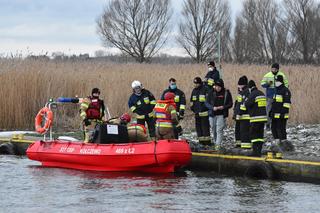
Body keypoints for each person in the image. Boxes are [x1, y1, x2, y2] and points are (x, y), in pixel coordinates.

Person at [205, 79, 233, 150]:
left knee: (219, 130)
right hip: (212, 114)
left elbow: (230, 103)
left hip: (221, 115)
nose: (217, 88)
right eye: (216, 86)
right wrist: (212, 108)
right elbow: (206, 103)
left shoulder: (226, 93)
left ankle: (218, 145)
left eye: (219, 87)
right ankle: (215, 142)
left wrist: (223, 107)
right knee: (214, 129)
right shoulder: (211, 92)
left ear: (222, 86)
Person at [261, 63, 288, 129]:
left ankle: (276, 124)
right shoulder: (267, 75)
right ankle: (268, 124)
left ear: (278, 69)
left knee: (277, 110)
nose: (273, 70)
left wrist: (284, 91)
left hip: (279, 96)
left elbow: (286, 84)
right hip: (270, 96)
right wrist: (268, 84)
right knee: (268, 110)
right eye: (272, 69)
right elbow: (262, 84)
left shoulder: (282, 75)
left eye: (275, 69)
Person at [270, 75, 293, 152]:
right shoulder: (276, 91)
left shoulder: (285, 91)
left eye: (277, 81)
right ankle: (277, 143)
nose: (276, 83)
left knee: (281, 129)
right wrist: (271, 112)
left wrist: (282, 113)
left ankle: (284, 145)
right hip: (275, 115)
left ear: (281, 81)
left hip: (282, 115)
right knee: (273, 128)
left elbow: (287, 104)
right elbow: (274, 102)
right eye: (275, 81)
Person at [245, 80, 268, 156]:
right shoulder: (261, 93)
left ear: (250, 87)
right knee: (260, 136)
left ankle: (255, 152)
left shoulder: (252, 94)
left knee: (254, 135)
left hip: (256, 118)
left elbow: (247, 104)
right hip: (263, 118)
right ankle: (259, 151)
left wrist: (245, 101)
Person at [190, 77, 211, 146]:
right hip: (197, 113)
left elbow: (208, 101)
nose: (195, 85)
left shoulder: (205, 89)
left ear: (200, 83)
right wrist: (193, 108)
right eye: (194, 83)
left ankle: (207, 142)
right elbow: (192, 101)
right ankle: (201, 142)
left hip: (204, 113)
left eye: (197, 83)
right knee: (198, 128)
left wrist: (203, 109)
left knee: (205, 128)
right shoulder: (194, 91)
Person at [233, 76, 249, 148]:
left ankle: (245, 146)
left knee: (244, 132)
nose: (238, 86)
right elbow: (237, 103)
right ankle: (238, 144)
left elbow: (243, 104)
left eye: (240, 85)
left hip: (244, 116)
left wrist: (239, 113)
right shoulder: (240, 92)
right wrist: (235, 113)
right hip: (238, 115)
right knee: (238, 131)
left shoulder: (246, 92)